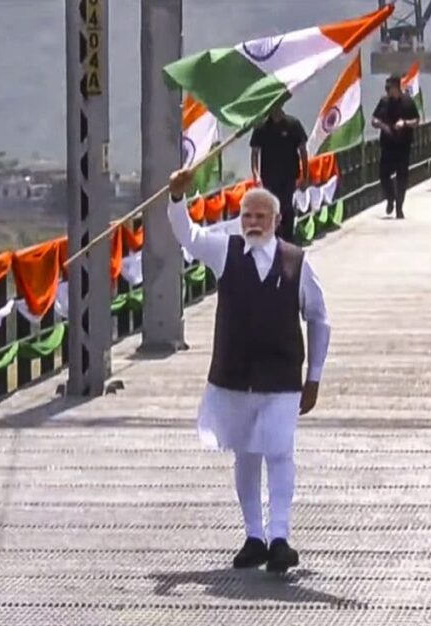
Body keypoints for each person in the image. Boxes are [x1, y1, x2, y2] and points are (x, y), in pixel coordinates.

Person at [165, 165, 331, 574]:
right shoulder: (225, 252)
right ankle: (254, 536)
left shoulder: (296, 262)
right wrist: (177, 199)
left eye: (261, 216)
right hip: (236, 375)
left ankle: (280, 537)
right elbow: (188, 235)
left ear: (277, 220)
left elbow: (319, 318)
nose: (253, 222)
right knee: (246, 453)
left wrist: (314, 377)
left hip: (281, 377)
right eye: (247, 216)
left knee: (279, 451)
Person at [250, 104, 309, 244]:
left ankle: (288, 239)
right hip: (269, 177)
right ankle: (275, 241)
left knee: (286, 206)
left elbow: (303, 151)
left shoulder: (293, 124)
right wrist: (256, 175)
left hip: (289, 175)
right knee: (272, 208)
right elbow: (255, 152)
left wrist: (305, 176)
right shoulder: (261, 127)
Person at [371, 75, 421, 219]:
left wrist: (404, 123)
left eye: (389, 87)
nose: (387, 90)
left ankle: (399, 207)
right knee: (383, 175)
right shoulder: (384, 102)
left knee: (402, 178)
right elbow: (374, 119)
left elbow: (417, 120)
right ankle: (390, 198)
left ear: (397, 87)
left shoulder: (407, 102)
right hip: (387, 145)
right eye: (386, 88)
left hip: (403, 146)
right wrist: (381, 125)